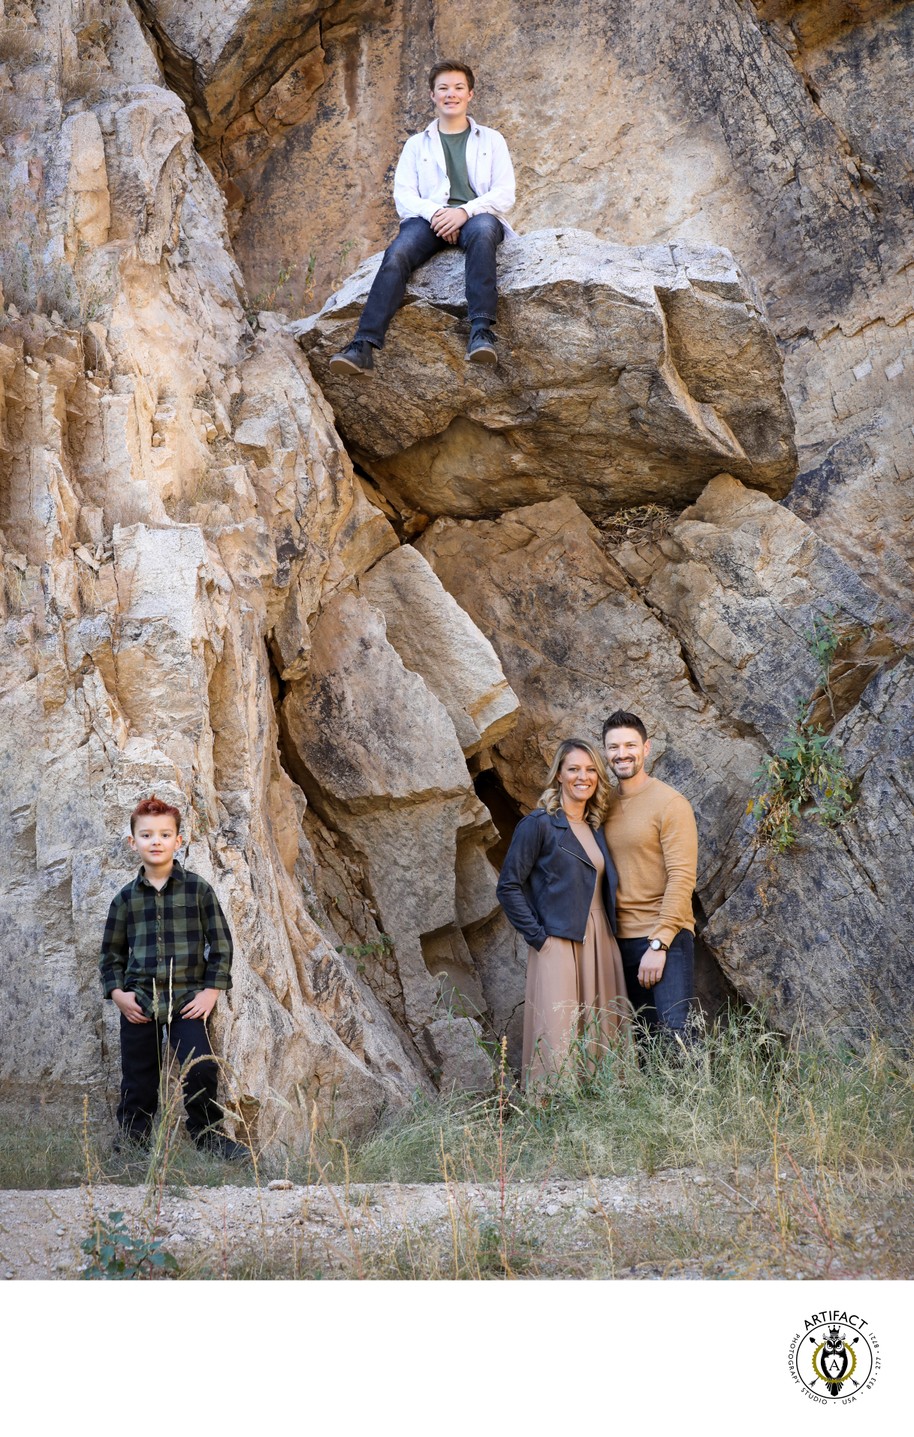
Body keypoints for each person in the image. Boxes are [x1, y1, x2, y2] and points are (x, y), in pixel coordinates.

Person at [328, 59, 515, 374]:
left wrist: (463, 212)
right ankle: (363, 345)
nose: (450, 94)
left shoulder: (492, 140)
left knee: (483, 232)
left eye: (458, 88)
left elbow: (505, 193)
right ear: (432, 95)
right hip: (428, 220)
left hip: (476, 216)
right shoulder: (417, 144)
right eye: (443, 88)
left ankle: (481, 333)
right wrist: (439, 215)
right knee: (398, 251)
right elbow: (404, 196)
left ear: (470, 94)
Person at [98, 795, 249, 1161]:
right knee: (139, 1079)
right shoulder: (125, 900)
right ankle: (133, 1144)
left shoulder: (198, 891)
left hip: (187, 1001)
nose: (156, 841)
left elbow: (222, 945)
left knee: (201, 1069)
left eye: (165, 834)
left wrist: (212, 991)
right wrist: (118, 994)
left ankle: (208, 1136)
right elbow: (111, 955)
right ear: (133, 843)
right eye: (147, 835)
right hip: (140, 1002)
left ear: (178, 841)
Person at [496, 739, 629, 1088]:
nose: (582, 777)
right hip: (557, 939)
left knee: (602, 1025)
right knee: (558, 1030)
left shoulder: (595, 826)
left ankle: (601, 1101)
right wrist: (540, 938)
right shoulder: (538, 824)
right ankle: (551, 1109)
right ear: (558, 774)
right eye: (573, 769)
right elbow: (508, 886)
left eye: (590, 770)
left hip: (600, 938)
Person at [601, 711, 698, 1041]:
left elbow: (682, 876)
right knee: (644, 1042)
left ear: (646, 748)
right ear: (605, 752)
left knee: (677, 1036)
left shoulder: (670, 803)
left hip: (665, 939)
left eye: (630, 745)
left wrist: (659, 943)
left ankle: (696, 1096)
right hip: (619, 941)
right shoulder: (602, 805)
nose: (622, 753)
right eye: (613, 747)